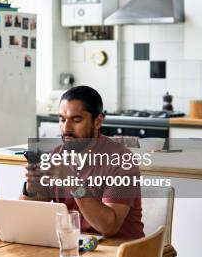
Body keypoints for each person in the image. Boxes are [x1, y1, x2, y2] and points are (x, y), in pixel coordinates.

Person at [22, 86, 144, 238]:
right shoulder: (56, 155)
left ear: (98, 121)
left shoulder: (121, 161)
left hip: (121, 253)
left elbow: (109, 227)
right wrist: (31, 187)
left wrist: (72, 182)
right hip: (74, 247)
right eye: (62, 119)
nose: (66, 128)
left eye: (76, 120)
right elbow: (29, 216)